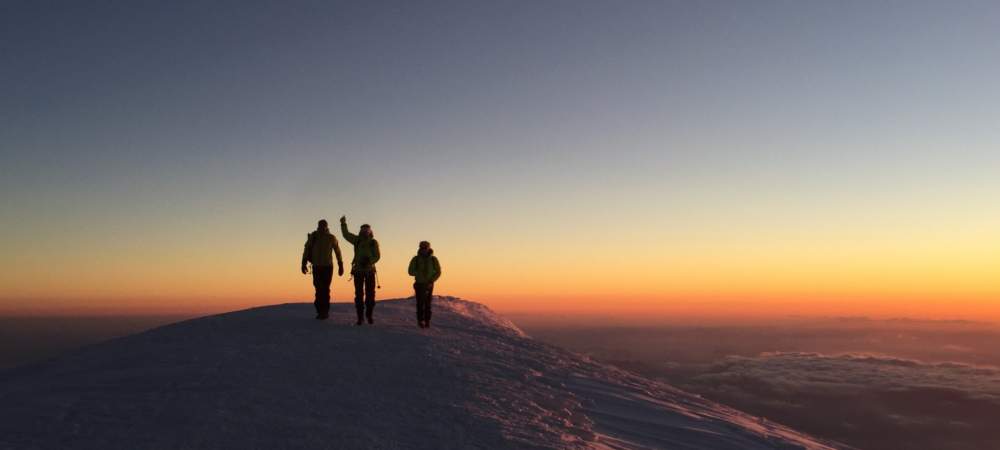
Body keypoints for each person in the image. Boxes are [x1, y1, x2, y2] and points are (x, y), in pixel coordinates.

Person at [340, 216, 380, 325]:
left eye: (367, 230)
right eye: (363, 230)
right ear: (360, 231)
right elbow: (346, 235)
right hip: (358, 270)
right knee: (359, 294)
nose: (365, 232)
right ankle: (360, 317)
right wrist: (343, 224)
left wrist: (369, 261)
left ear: (370, 231)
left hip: (369, 271)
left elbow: (377, 256)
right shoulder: (357, 240)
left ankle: (369, 315)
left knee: (370, 294)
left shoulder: (373, 242)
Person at [301, 219, 344, 320]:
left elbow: (338, 251)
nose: (322, 227)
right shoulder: (313, 236)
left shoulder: (331, 237)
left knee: (325, 289)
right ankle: (320, 311)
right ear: (318, 226)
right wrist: (303, 263)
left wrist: (340, 264)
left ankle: (324, 312)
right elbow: (306, 249)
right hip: (316, 266)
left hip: (328, 267)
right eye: (320, 225)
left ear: (327, 226)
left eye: (323, 225)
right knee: (318, 289)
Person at [408, 241, 441, 328]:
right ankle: (421, 320)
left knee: (427, 303)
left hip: (429, 283)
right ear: (420, 248)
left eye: (425, 248)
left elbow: (438, 272)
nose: (424, 249)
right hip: (419, 283)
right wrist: (419, 273)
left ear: (429, 248)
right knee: (420, 302)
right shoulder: (415, 259)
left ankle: (427, 321)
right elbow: (410, 271)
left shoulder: (433, 259)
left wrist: (432, 280)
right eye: (422, 247)